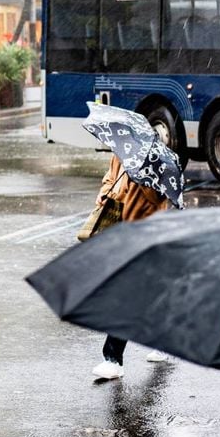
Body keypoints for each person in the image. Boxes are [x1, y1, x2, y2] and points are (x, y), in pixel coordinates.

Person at [91, 155, 170, 380]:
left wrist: (139, 175)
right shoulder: (120, 153)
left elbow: (157, 196)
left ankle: (113, 359)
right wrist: (105, 193)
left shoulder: (154, 159)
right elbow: (110, 178)